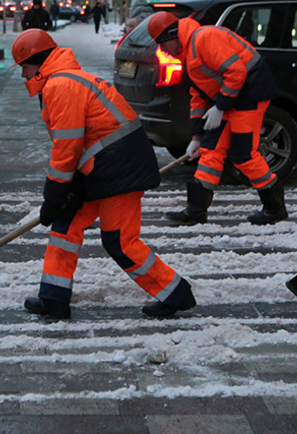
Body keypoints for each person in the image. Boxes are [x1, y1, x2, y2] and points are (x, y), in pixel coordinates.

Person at [12, 29, 196, 320]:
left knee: (120, 241)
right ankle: (54, 298)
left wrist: (56, 190)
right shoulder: (64, 80)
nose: (22, 74)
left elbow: (67, 145)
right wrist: (68, 188)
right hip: (102, 166)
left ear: (38, 60)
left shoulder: (61, 85)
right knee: (65, 225)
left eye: (24, 65)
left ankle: (175, 293)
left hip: (120, 167)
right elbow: (80, 143)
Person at [146, 11, 286, 226]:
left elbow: (236, 72)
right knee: (210, 149)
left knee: (244, 154)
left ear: (171, 37)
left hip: (250, 94)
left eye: (161, 44)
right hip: (231, 97)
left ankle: (275, 207)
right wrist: (196, 136)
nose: (161, 50)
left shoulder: (204, 38)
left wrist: (221, 106)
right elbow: (198, 96)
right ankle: (196, 210)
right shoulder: (188, 54)